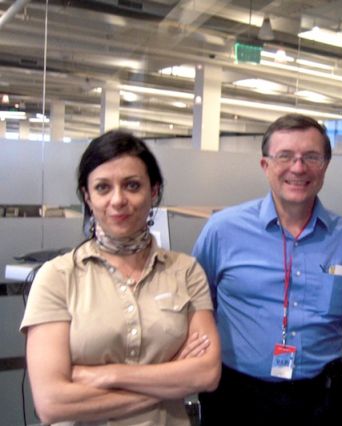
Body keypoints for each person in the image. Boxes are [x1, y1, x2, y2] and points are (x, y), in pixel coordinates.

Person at [20, 130, 221, 425]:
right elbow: (52, 403)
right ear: (87, 197)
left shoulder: (186, 271)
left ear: (154, 191)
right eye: (103, 187)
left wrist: (109, 375)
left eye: (132, 185)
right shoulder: (57, 277)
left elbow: (206, 373)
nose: (118, 200)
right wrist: (171, 381)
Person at [192, 113, 342, 425]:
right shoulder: (222, 230)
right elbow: (200, 306)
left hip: (323, 398)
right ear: (265, 165)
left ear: (325, 166)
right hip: (238, 398)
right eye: (285, 156)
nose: (298, 168)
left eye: (311, 157)